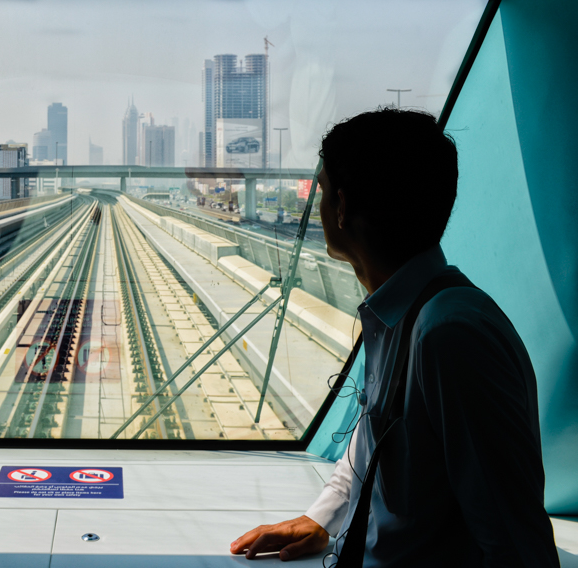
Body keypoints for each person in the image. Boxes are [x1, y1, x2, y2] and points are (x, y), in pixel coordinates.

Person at [230, 108, 558, 566]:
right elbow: (378, 444)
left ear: (342, 208)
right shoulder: (400, 314)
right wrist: (324, 516)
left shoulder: (449, 336)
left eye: (321, 192)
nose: (318, 207)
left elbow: (513, 541)